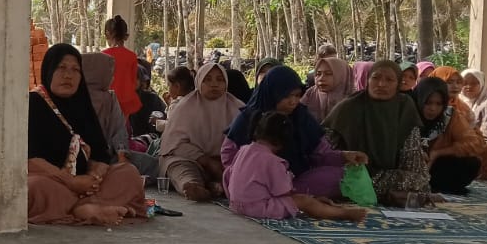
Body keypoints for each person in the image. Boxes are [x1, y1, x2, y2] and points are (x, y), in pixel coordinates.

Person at [27, 43, 146, 225]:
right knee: (33, 189)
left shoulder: (82, 104)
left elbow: (100, 154)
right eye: (61, 68)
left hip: (85, 187)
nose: (68, 75)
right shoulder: (34, 103)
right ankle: (85, 209)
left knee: (128, 173)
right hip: (52, 181)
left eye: (75, 70)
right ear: (49, 70)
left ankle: (82, 208)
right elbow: (30, 160)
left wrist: (94, 176)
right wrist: (71, 181)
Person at [223, 65, 365, 200]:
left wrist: (344, 156)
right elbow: (228, 154)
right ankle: (283, 196)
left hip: (293, 179)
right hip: (254, 180)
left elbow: (320, 152)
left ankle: (284, 194)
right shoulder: (249, 118)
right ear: (272, 93)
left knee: (339, 176)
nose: (293, 102)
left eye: (297, 96)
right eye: (287, 96)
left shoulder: (301, 117)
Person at [323, 60, 432, 206]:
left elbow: (411, 155)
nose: (381, 84)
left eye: (389, 80)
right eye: (376, 78)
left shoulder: (404, 107)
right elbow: (323, 150)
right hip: (353, 173)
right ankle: (391, 196)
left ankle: (390, 194)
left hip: (389, 175)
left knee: (419, 180)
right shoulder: (348, 106)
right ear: (368, 80)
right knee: (337, 180)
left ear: (398, 83)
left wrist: (417, 179)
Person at [223, 112, 366, 222]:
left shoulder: (244, 150)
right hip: (257, 208)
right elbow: (285, 193)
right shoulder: (273, 161)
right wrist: (310, 200)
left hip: (236, 205)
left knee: (304, 199)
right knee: (304, 201)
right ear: (284, 141)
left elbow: (227, 174)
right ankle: (343, 213)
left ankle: (327, 207)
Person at [158, 61, 244, 202]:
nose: (214, 84)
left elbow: (246, 143)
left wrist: (224, 162)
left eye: (220, 79)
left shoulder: (238, 108)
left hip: (225, 164)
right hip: (192, 161)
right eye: (208, 79)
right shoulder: (185, 107)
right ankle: (192, 186)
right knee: (178, 167)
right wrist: (207, 161)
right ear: (198, 82)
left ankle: (217, 185)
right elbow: (175, 145)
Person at [81, 52, 159, 182]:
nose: (112, 79)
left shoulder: (109, 97)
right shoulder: (74, 98)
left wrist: (122, 156)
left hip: (110, 157)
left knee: (151, 164)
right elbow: (119, 129)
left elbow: (118, 129)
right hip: (79, 159)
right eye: (110, 74)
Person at [411, 76, 484, 195]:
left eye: (438, 104)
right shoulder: (408, 112)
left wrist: (438, 153)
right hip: (408, 164)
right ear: (420, 99)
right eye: (428, 103)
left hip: (435, 167)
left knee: (471, 163)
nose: (433, 109)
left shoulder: (450, 116)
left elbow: (474, 143)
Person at [101, 15, 142, 121]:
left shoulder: (103, 55)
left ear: (107, 34)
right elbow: (133, 82)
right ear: (125, 35)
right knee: (121, 131)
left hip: (107, 102)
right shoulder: (132, 56)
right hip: (126, 102)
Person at [301, 56, 353, 123]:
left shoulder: (354, 99)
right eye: (318, 74)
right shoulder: (310, 93)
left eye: (328, 74)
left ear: (342, 76)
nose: (321, 78)